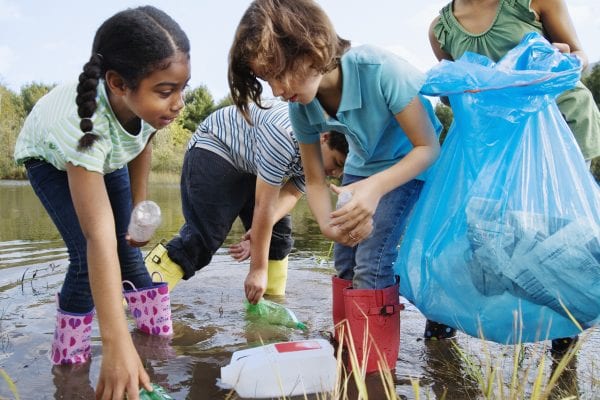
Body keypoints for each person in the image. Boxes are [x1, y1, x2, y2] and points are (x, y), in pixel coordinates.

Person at [228, 0, 442, 374]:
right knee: (343, 256)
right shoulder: (302, 108)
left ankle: (372, 373)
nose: (277, 91)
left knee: (372, 258)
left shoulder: (379, 70)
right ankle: (346, 350)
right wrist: (327, 225)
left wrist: (375, 190)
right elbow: (313, 179)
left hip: (409, 162)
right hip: (363, 164)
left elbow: (428, 148)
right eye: (267, 81)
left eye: (279, 74)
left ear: (311, 49)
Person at [13, 6, 190, 399]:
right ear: (117, 83)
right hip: (55, 158)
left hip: (106, 155)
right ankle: (70, 367)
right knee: (84, 256)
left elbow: (141, 143)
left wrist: (138, 214)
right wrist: (115, 344)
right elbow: (97, 237)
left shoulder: (150, 110)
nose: (178, 103)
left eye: (182, 88)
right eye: (166, 91)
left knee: (128, 250)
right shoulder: (80, 128)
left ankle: (156, 339)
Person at [428, 0, 600, 351]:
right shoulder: (440, 28)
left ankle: (564, 328)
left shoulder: (536, 2)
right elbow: (451, 94)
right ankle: (448, 319)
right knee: (480, 227)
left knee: (558, 232)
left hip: (557, 132)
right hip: (494, 142)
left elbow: (579, 56)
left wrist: (560, 56)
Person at [144, 100, 348, 300]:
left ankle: (268, 308)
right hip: (216, 148)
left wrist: (257, 232)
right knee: (203, 239)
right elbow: (264, 205)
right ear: (324, 137)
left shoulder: (316, 157)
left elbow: (292, 193)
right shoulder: (285, 134)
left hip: (252, 165)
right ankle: (138, 294)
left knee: (277, 235)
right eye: (337, 162)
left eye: (342, 170)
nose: (335, 173)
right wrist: (257, 270)